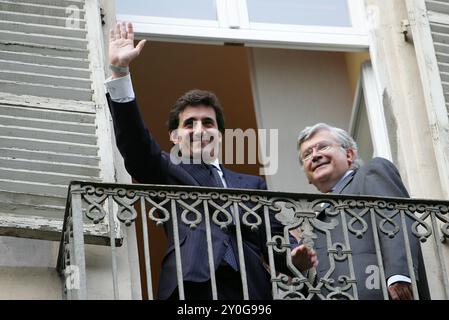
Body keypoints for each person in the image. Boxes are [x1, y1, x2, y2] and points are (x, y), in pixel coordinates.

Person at [105, 21, 317, 300]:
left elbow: (275, 242)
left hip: (250, 290)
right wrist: (120, 72)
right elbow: (136, 146)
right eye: (189, 124)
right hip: (192, 286)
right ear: (174, 136)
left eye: (208, 123)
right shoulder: (168, 168)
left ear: (219, 134)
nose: (199, 130)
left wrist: (295, 259)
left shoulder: (253, 184)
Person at [297, 123, 429, 300]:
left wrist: (399, 275)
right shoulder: (311, 219)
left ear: (349, 154)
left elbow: (394, 216)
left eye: (323, 147)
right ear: (307, 176)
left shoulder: (369, 173)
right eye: (307, 154)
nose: (315, 156)